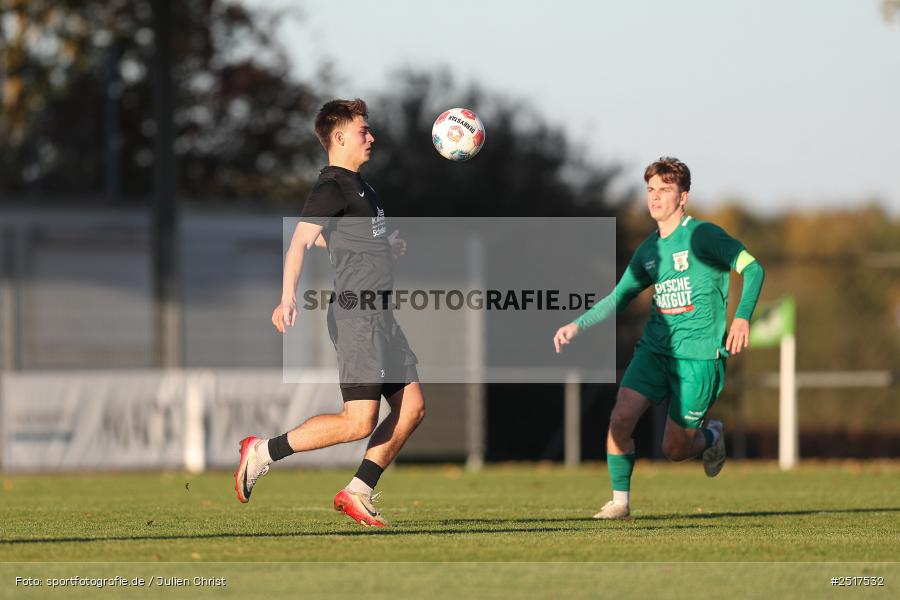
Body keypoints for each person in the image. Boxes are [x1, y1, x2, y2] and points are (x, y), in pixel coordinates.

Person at [234, 99, 424, 528]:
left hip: (381, 315)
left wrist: (382, 246)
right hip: (357, 316)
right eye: (363, 130)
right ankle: (263, 451)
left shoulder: (362, 187)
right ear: (339, 137)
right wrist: (287, 297)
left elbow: (332, 237)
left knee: (412, 407)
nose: (371, 136)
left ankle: (358, 491)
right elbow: (300, 241)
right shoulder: (332, 187)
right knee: (358, 421)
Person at [553, 157, 764, 519]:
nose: (655, 197)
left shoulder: (703, 235)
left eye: (665, 190)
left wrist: (743, 317)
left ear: (683, 197)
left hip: (699, 356)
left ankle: (712, 437)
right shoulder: (649, 251)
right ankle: (620, 502)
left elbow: (753, 268)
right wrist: (578, 325)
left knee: (675, 449)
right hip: (655, 351)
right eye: (650, 189)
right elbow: (619, 296)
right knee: (621, 416)